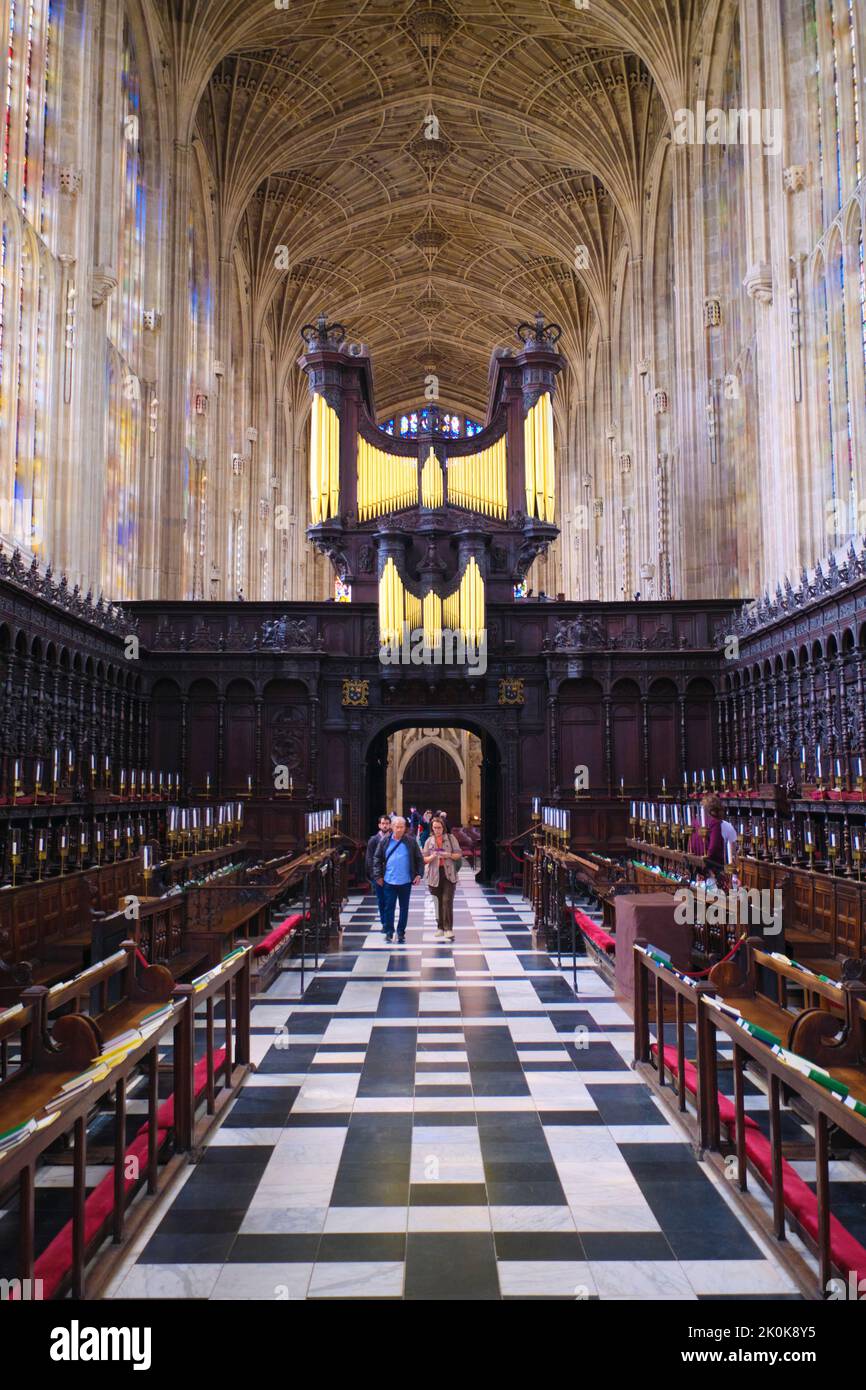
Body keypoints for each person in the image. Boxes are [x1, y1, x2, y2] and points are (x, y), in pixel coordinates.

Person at [373, 815, 423, 944]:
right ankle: (389, 932)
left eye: (402, 827)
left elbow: (419, 859)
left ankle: (401, 932)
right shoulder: (384, 841)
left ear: (405, 828)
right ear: (392, 827)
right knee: (389, 907)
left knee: (404, 908)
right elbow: (377, 858)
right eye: (397, 827)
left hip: (405, 881)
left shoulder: (411, 841)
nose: (399, 829)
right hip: (389, 881)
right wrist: (378, 876)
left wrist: (419, 874)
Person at [422, 815, 462, 942]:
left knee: (447, 900)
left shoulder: (451, 838)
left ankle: (448, 928)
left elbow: (459, 855)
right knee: (437, 902)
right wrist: (433, 856)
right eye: (434, 828)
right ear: (432, 828)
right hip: (434, 874)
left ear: (443, 827)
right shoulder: (429, 841)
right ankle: (440, 927)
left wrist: (447, 854)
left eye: (439, 828)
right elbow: (424, 859)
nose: (437, 830)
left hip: (448, 873)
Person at [366, 813, 392, 933]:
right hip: (379, 875)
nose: (385, 826)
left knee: (390, 900)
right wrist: (374, 876)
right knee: (381, 900)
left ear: (390, 825)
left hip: (391, 874)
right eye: (383, 823)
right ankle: (384, 923)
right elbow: (369, 859)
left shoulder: (393, 838)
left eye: (387, 823)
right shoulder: (374, 840)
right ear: (379, 825)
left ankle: (389, 923)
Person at [689, 794, 725, 871]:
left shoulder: (695, 821)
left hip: (695, 861)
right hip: (711, 865)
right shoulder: (715, 822)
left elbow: (690, 842)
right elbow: (713, 847)